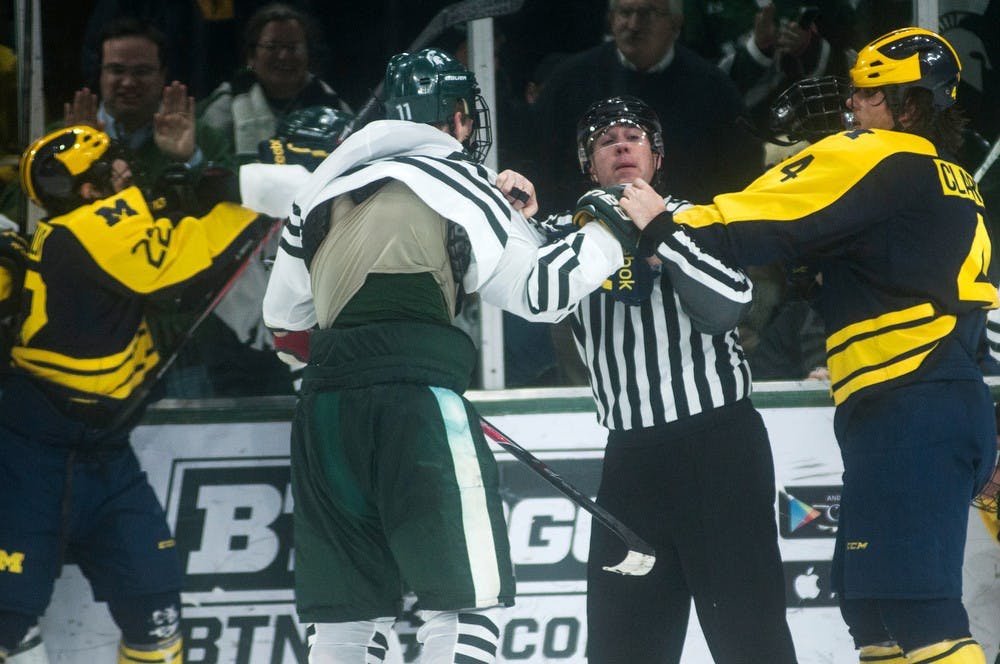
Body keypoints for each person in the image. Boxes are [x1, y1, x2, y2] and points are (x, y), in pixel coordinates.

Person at [625, 27, 999, 663]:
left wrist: (659, 221)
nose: (853, 106)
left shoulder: (876, 156)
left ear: (909, 107)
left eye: (870, 95)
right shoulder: (950, 179)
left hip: (908, 401)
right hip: (935, 402)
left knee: (916, 609)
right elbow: (875, 266)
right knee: (869, 609)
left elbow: (751, 220)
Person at [250, 48, 626, 662]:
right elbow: (544, 295)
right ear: (454, 117)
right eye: (467, 118)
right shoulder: (459, 180)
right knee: (464, 605)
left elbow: (284, 315)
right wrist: (611, 227)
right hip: (416, 405)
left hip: (323, 416)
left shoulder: (322, 190)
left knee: (347, 621)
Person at [526, 95, 796, 663]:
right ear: (588, 162)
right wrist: (509, 206)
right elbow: (522, 284)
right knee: (625, 646)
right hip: (633, 467)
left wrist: (661, 233)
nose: (621, 145)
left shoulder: (695, 219)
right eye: (606, 140)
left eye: (633, 137)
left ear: (656, 155)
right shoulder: (561, 237)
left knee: (752, 639)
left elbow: (731, 306)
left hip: (720, 452)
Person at [0, 126, 271, 663]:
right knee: (7, 623)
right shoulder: (84, 232)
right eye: (112, 164)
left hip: (105, 453)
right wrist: (260, 199)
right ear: (87, 190)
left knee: (158, 620)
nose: (127, 168)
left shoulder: (92, 235)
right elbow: (180, 262)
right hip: (32, 456)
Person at [527, 0, 763, 217]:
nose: (633, 24)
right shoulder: (569, 81)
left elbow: (743, 173)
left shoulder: (714, 88)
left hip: (690, 239)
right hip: (586, 236)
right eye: (625, 12)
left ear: (676, 24)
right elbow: (537, 164)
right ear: (611, 18)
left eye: (648, 13)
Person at [197, 3, 351, 166]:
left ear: (308, 54)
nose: (283, 56)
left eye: (293, 48)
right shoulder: (224, 108)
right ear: (251, 56)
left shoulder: (332, 105)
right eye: (272, 47)